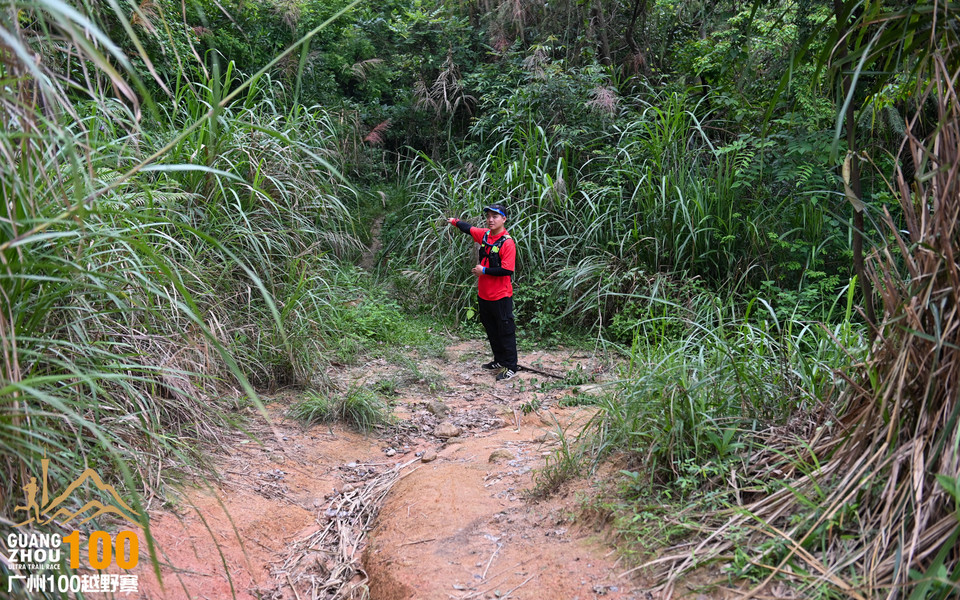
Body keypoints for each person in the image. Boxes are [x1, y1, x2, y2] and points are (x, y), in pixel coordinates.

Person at [447, 204, 518, 381]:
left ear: (504, 219)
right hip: (484, 295)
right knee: (491, 329)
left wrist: (484, 271)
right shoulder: (485, 235)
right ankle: (499, 360)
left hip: (501, 296)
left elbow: (507, 270)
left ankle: (511, 366)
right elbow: (468, 229)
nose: (491, 219)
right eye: (489, 216)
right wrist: (454, 222)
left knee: (505, 331)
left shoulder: (507, 243)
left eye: (495, 216)